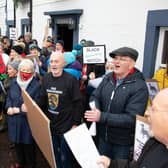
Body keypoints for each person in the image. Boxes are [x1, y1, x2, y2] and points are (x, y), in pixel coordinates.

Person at [85, 47, 149, 160]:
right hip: (103, 138)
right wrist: (96, 109)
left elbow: (132, 118)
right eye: (115, 58)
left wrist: (101, 116)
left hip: (122, 144)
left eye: (122, 59)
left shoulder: (139, 87)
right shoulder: (108, 78)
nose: (116, 62)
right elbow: (95, 96)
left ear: (132, 64)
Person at [97, 88, 168, 168]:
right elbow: (137, 166)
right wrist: (111, 164)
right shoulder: (154, 142)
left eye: (154, 109)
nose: (146, 113)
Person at [38, 52, 83, 168]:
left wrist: (75, 123)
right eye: (51, 61)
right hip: (51, 124)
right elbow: (42, 99)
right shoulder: (46, 78)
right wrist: (32, 108)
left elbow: (78, 103)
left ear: (63, 63)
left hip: (67, 126)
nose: (53, 64)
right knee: (54, 155)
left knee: (65, 156)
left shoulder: (71, 79)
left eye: (56, 61)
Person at [6, 59, 41, 167]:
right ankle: (21, 163)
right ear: (19, 70)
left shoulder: (37, 85)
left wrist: (19, 110)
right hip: (14, 121)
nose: (25, 73)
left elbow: (37, 106)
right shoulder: (14, 82)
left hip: (27, 123)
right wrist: (8, 107)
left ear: (32, 71)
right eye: (22, 70)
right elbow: (9, 97)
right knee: (18, 146)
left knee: (28, 147)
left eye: (28, 70)